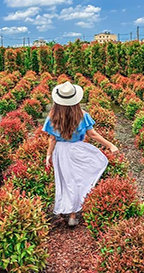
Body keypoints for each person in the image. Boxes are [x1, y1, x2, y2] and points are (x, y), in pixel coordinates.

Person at [42, 81, 119, 227]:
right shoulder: (82, 115)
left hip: (61, 152)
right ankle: (72, 215)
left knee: (64, 181)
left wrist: (48, 156)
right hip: (78, 150)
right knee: (78, 181)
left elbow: (52, 139)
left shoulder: (52, 116)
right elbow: (93, 135)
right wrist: (110, 145)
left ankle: (64, 209)